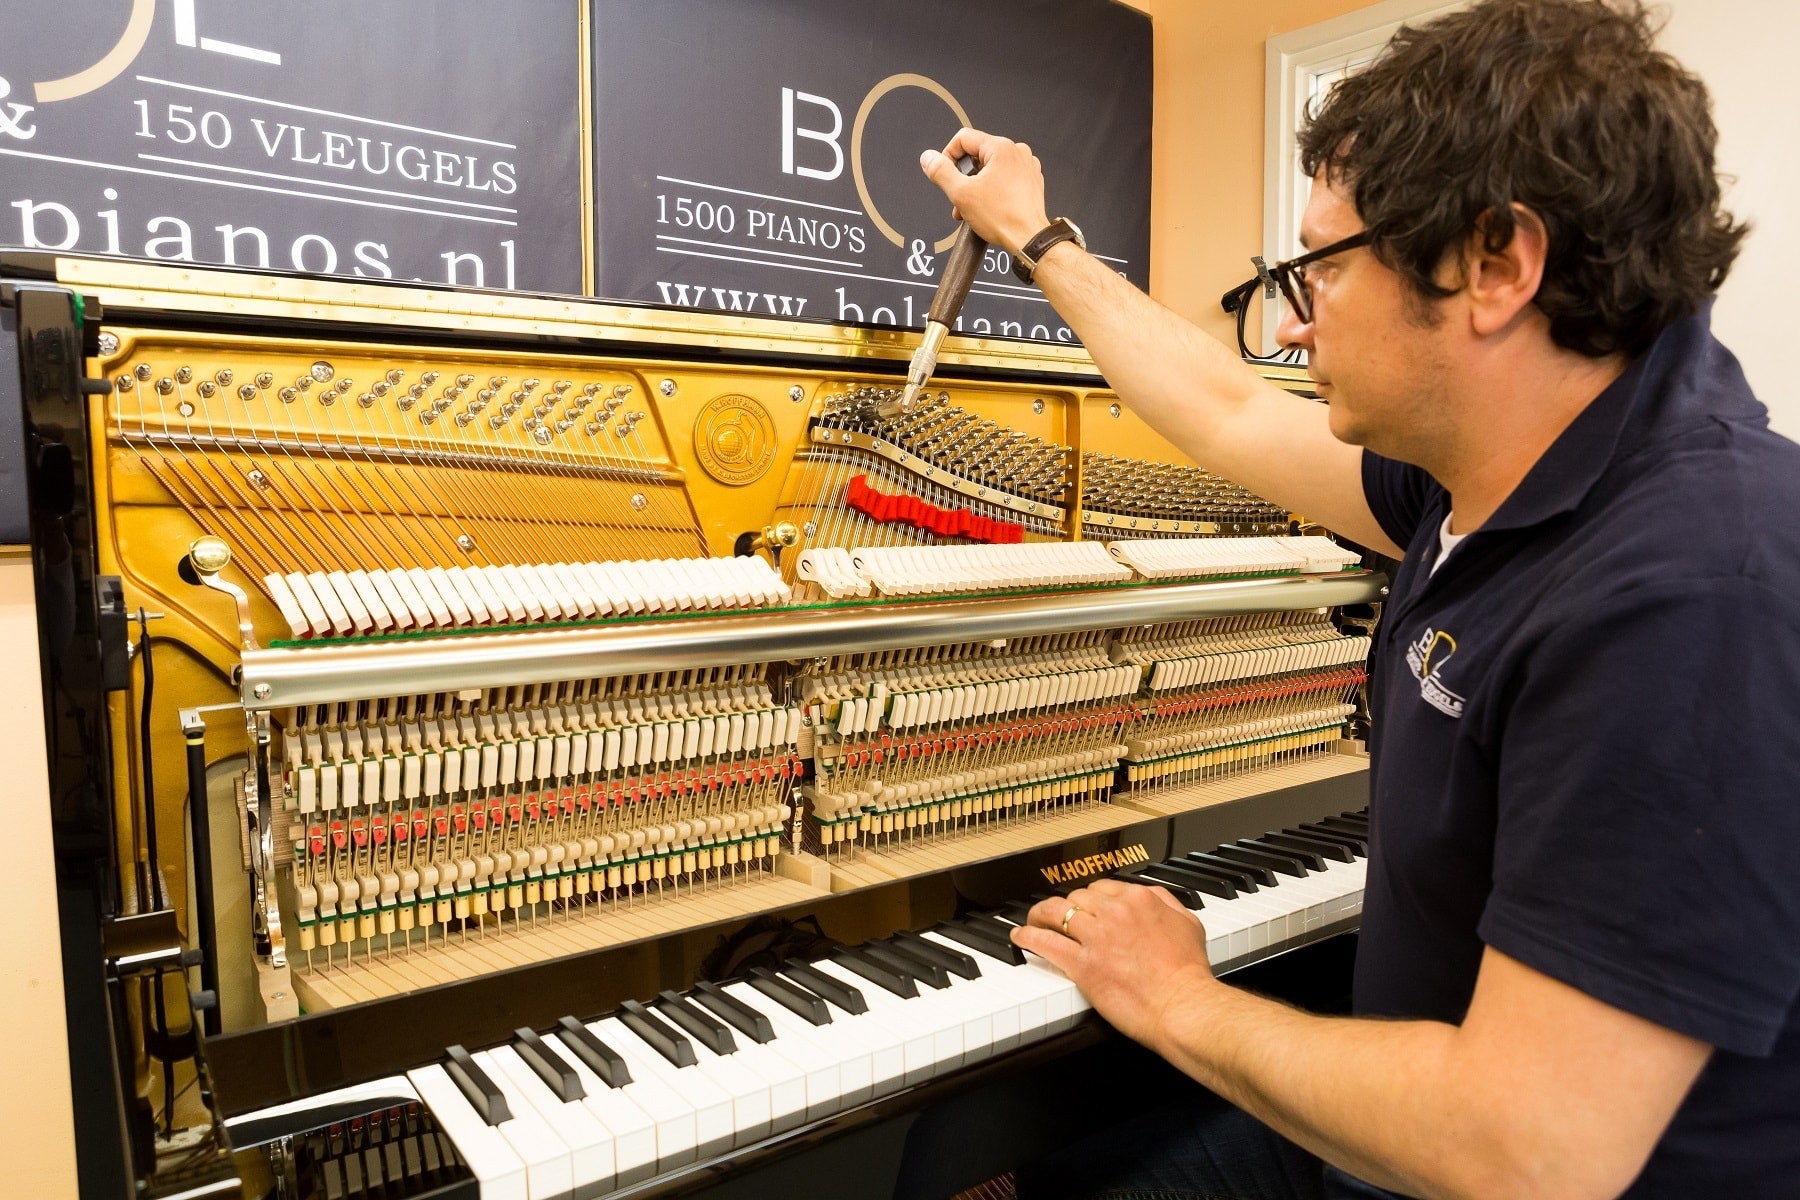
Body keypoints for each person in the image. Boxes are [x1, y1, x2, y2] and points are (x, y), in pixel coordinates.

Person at [917, 1, 1800, 1197]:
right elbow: (1228, 410)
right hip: (1401, 1105)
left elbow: (1526, 1154)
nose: (1290, 318)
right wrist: (1038, 239)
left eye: (1320, 266)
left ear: (1495, 265)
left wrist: (1178, 998)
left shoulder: (1695, 591)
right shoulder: (1497, 460)